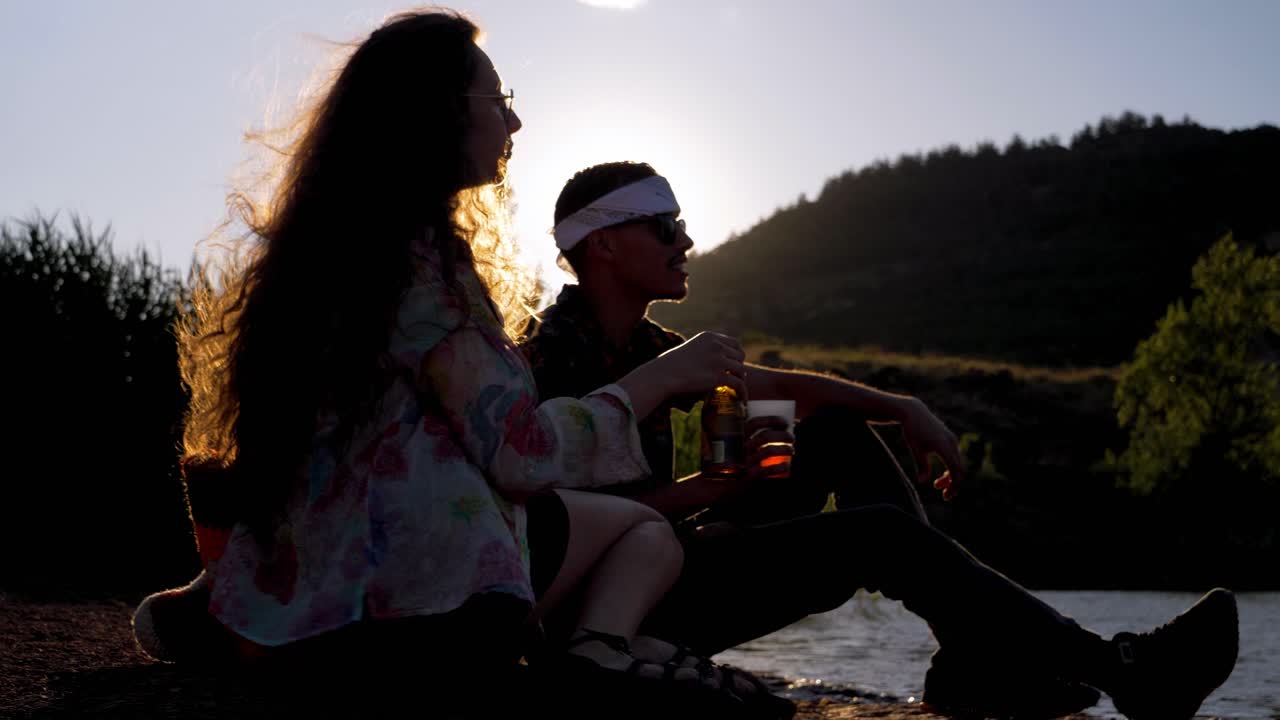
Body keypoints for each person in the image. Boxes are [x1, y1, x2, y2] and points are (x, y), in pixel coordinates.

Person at [131, 12, 793, 718]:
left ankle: (221, 608)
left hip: (315, 582)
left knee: (626, 528)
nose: (515, 122)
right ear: (439, 113)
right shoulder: (422, 271)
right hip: (430, 601)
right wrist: (655, 382)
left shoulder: (329, 256)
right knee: (642, 530)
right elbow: (519, 453)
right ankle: (599, 653)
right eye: (499, 101)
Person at [516, 160, 1242, 719]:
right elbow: (550, 528)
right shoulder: (548, 357)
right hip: (612, 609)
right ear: (603, 244)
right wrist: (702, 492)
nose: (686, 241)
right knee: (878, 534)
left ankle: (968, 659)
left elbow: (784, 389)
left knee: (835, 429)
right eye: (664, 226)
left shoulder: (646, 344)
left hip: (672, 554)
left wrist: (901, 406)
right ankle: (1122, 669)